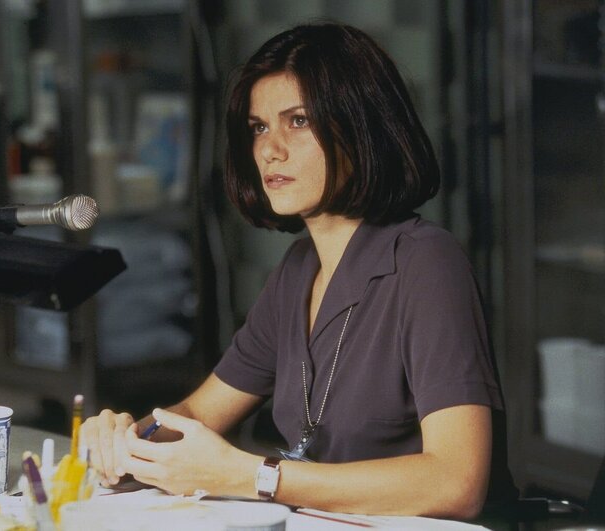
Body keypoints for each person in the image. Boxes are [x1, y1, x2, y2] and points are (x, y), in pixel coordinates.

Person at [80, 21, 517, 519]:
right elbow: (199, 412)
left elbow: (456, 482)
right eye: (259, 127)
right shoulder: (298, 270)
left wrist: (252, 476)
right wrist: (126, 440)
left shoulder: (427, 261)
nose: (271, 149)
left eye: (299, 121)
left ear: (362, 128)